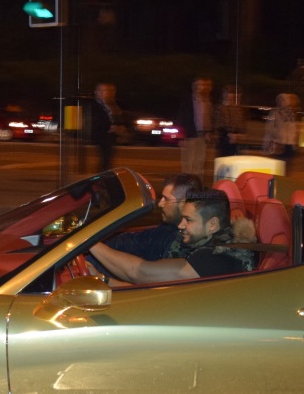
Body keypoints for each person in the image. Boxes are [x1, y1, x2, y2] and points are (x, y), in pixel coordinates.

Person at [90, 188, 256, 284]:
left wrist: (88, 242)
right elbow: (147, 288)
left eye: (188, 220)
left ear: (212, 224)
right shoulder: (220, 243)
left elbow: (140, 273)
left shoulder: (217, 257)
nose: (180, 225)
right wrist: (101, 279)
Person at [104, 172, 204, 261]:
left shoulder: (187, 243)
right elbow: (135, 241)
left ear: (184, 203)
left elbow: (145, 273)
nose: (160, 204)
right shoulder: (167, 228)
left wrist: (95, 246)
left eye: (166, 199)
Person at [177, 77, 213, 176]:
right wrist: (181, 136)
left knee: (199, 164)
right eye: (197, 85)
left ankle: (197, 187)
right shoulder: (187, 100)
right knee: (188, 164)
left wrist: (209, 132)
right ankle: (186, 187)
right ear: (193, 86)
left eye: (202, 85)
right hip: (189, 136)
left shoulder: (207, 101)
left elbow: (209, 118)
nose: (200, 87)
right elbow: (181, 117)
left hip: (202, 136)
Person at [88, 82, 123, 171]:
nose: (102, 93)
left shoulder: (110, 104)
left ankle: (103, 174)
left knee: (108, 157)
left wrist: (117, 126)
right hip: (101, 134)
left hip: (109, 134)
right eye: (100, 90)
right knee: (105, 157)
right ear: (95, 92)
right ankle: (102, 176)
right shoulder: (93, 105)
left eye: (104, 91)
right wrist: (110, 127)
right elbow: (95, 120)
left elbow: (116, 116)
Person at [264, 92, 300, 171]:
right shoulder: (274, 112)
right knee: (278, 165)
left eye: (283, 100)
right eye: (279, 100)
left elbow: (293, 129)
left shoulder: (291, 114)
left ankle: (286, 180)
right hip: (279, 143)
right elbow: (269, 127)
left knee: (287, 166)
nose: (281, 102)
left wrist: (295, 142)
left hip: (289, 144)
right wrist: (268, 141)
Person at [216, 84, 244, 158]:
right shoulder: (219, 108)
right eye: (227, 93)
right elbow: (218, 124)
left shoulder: (237, 108)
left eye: (231, 93)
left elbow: (240, 123)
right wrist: (229, 134)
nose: (229, 95)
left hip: (236, 140)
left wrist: (238, 134)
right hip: (224, 139)